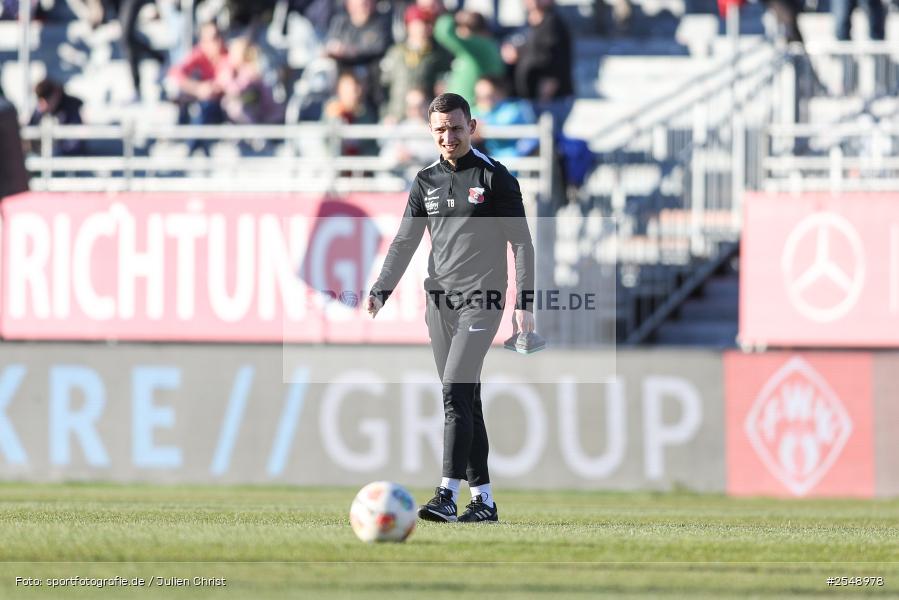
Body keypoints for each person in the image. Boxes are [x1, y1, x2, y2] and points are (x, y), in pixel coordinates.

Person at [366, 93, 535, 524]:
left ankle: (446, 493)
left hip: (483, 299)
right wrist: (381, 289)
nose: (449, 137)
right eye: (440, 130)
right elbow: (405, 241)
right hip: (439, 303)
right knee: (465, 398)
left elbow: (522, 243)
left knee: (454, 391)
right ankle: (484, 501)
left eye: (456, 128)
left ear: (472, 126)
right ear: (430, 131)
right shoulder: (425, 181)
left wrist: (525, 303)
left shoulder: (495, 177)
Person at [501, 0, 574, 138]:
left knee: (548, 141)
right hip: (529, 96)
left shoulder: (553, 23)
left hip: (550, 99)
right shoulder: (528, 23)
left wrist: (549, 86)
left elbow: (555, 59)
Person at [380, 5, 452, 123]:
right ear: (408, 26)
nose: (422, 29)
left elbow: (442, 86)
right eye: (417, 25)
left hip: (425, 115)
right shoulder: (396, 53)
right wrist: (387, 113)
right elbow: (383, 86)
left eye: (426, 24)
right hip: (397, 115)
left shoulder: (438, 55)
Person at [167, 21, 228, 154]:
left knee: (204, 109)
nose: (216, 42)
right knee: (198, 108)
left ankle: (190, 149)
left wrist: (210, 89)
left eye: (217, 36)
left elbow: (225, 82)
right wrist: (197, 88)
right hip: (206, 105)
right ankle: (194, 148)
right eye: (211, 39)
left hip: (224, 107)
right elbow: (175, 73)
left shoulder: (227, 54)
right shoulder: (200, 53)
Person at [325, 0, 392, 104]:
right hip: (344, 72)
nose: (362, 8)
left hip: (372, 78)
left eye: (365, 4)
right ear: (348, 5)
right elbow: (330, 45)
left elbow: (378, 47)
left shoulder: (381, 23)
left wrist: (349, 51)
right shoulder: (340, 22)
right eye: (358, 5)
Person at [432, 10, 505, 106]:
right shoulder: (482, 47)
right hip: (466, 107)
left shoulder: (481, 46)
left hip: (473, 107)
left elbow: (445, 33)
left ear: (466, 30)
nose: (458, 33)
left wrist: (452, 17)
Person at [217, 37, 283, 124]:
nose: (230, 56)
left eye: (234, 53)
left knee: (235, 106)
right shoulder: (232, 70)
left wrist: (228, 78)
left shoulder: (251, 70)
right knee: (227, 104)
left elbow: (238, 90)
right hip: (254, 113)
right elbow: (222, 84)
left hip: (268, 116)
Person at [471, 74, 537, 158]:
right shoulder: (475, 112)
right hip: (490, 160)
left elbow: (531, 138)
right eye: (479, 97)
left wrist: (480, 124)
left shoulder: (517, 108)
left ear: (500, 93)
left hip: (517, 160)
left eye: (488, 96)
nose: (482, 102)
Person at [322, 69, 379, 156]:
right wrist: (335, 117)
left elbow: (369, 145)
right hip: (335, 161)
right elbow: (326, 142)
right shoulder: (332, 110)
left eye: (354, 90)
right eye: (347, 90)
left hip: (361, 161)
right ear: (339, 90)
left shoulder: (366, 114)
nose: (351, 94)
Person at [28, 78, 87, 156]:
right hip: (45, 155)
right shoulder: (40, 110)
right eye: (41, 101)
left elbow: (75, 142)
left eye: (47, 101)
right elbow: (30, 131)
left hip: (69, 157)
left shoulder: (71, 107)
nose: (44, 106)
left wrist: (57, 150)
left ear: (56, 94)